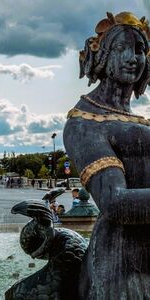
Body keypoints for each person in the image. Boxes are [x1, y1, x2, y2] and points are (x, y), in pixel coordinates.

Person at [63, 12, 150, 298]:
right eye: (121, 48)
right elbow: (114, 202)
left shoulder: (140, 121)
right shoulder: (83, 122)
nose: (133, 57)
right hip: (122, 263)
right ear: (101, 57)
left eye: (139, 49)